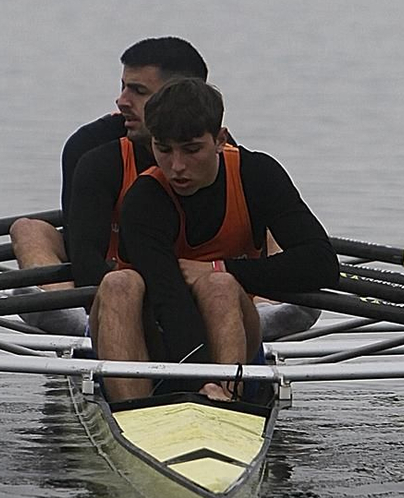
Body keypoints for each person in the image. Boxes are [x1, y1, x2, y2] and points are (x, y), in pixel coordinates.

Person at [92, 77, 338, 404]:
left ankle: (223, 404)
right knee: (118, 284)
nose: (176, 166)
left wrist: (218, 267)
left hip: (229, 341)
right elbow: (168, 297)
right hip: (146, 341)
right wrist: (199, 381)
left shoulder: (257, 174)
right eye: (163, 149)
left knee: (219, 284)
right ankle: (133, 412)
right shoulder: (145, 199)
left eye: (192, 149)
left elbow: (321, 265)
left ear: (220, 140)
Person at [9, 37, 211, 335]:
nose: (121, 101)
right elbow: (83, 254)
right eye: (123, 87)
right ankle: (73, 317)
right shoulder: (90, 148)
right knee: (29, 230)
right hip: (111, 280)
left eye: (138, 91)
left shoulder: (215, 151)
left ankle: (266, 312)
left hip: (198, 282)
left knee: (269, 234)